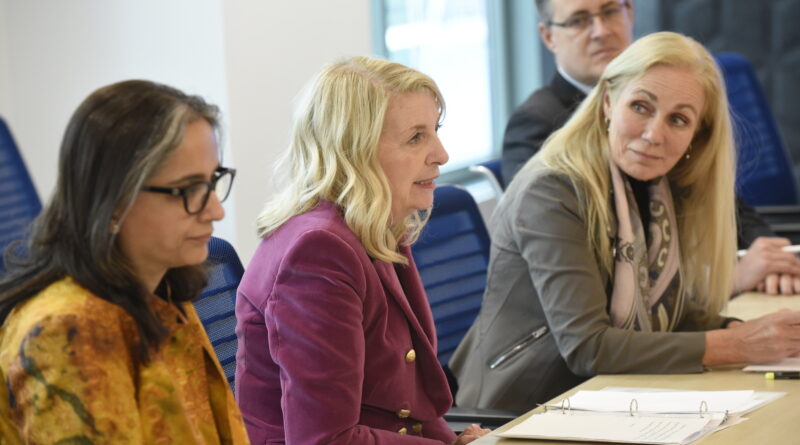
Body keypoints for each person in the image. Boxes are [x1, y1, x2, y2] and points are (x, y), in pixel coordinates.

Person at [450, 32, 800, 412]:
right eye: (640, 107)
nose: (653, 134)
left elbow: (668, 312)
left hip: (614, 397)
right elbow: (588, 347)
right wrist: (735, 345)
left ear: (696, 136)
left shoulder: (659, 184)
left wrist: (747, 333)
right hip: (520, 409)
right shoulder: (552, 191)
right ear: (607, 102)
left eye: (678, 119)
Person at [234, 57, 489, 444]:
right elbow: (327, 439)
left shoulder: (375, 224)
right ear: (355, 152)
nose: (441, 154)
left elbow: (410, 404)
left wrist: (452, 441)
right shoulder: (317, 253)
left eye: (435, 131)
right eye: (416, 138)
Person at [0, 80, 249, 444]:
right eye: (188, 189)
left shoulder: (164, 287)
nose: (215, 210)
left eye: (212, 181)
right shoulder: (68, 333)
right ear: (114, 201)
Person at [502, 0, 800, 295]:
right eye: (579, 20)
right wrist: (727, 280)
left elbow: (718, 200)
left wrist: (772, 259)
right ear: (548, 36)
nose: (600, 31)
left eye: (610, 11)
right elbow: (590, 270)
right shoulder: (538, 124)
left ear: (629, 13)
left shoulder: (673, 90)